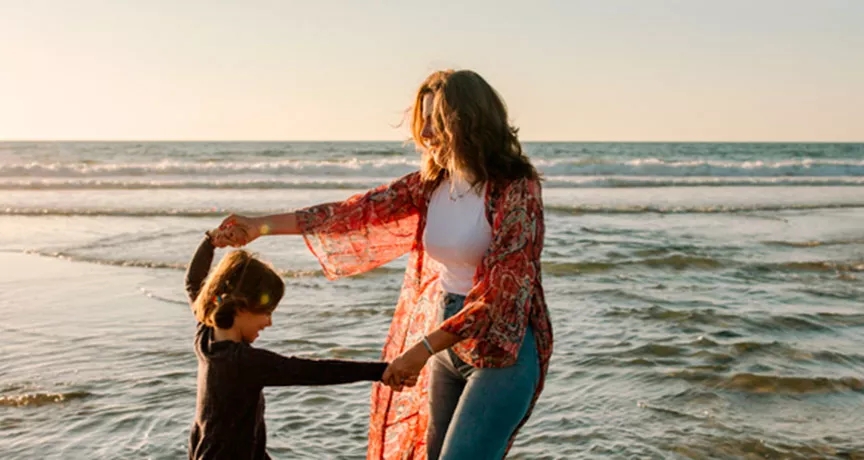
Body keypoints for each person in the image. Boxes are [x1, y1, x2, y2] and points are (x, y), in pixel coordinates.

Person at [212, 69, 553, 459]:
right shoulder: (432, 184)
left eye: (435, 122)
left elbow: (501, 295)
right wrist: (261, 226)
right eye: (422, 122)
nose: (425, 134)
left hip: (503, 352)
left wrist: (421, 349)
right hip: (447, 344)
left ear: (468, 122)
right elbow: (354, 213)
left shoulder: (517, 191)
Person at [184, 231, 413, 460]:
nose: (269, 322)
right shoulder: (243, 362)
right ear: (241, 308)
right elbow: (313, 371)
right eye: (266, 312)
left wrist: (209, 242)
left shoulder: (206, 336)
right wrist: (380, 370)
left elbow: (194, 283)